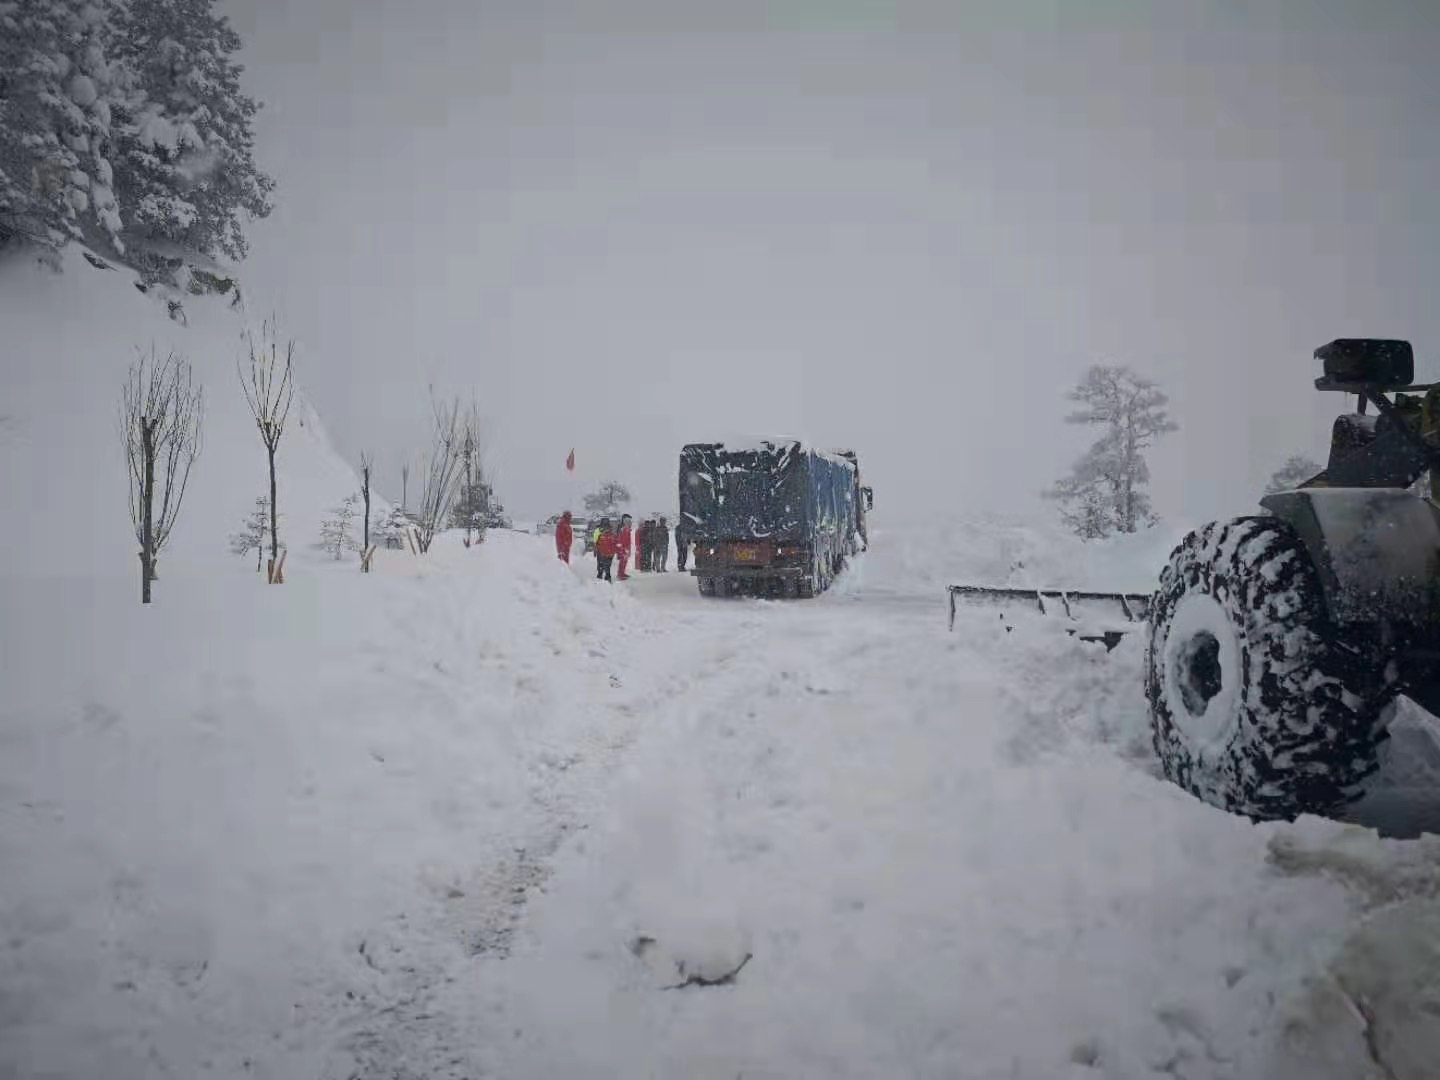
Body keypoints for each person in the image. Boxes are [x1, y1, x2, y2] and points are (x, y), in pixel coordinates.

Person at [594, 518, 616, 582]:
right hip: (609, 552)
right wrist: (613, 552)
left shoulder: (597, 530)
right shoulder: (611, 530)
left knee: (601, 564)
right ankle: (607, 577)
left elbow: (595, 541)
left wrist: (595, 549)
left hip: (601, 551)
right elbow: (614, 542)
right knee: (607, 564)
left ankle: (600, 576)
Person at [617, 513, 633, 580]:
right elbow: (620, 540)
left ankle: (622, 573)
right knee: (622, 561)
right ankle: (620, 574)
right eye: (628, 521)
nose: (630, 522)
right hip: (623, 548)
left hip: (626, 548)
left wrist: (629, 548)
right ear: (625, 521)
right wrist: (622, 549)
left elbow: (628, 540)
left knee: (625, 561)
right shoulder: (622, 529)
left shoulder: (627, 529)